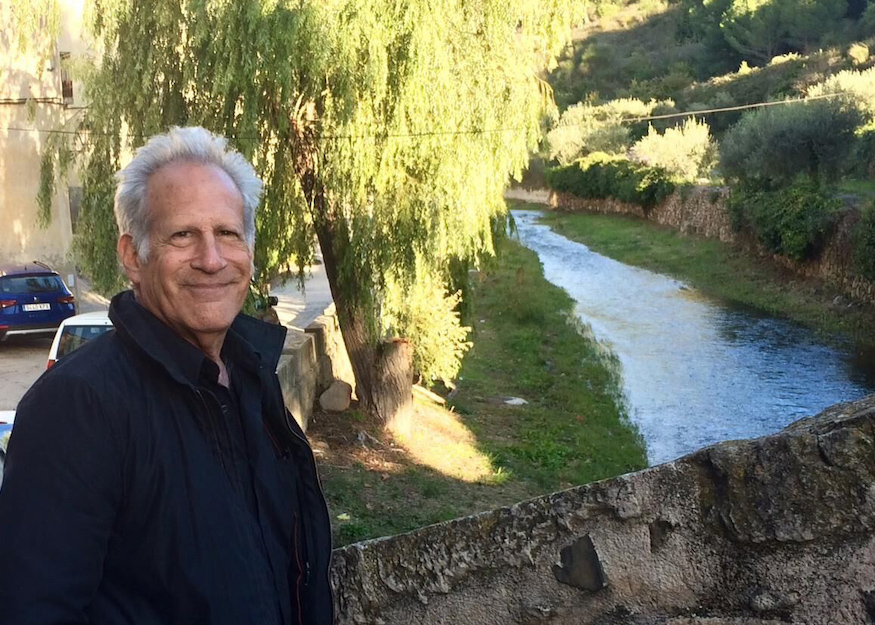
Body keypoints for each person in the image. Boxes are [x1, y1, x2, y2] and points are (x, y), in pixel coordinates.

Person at [0, 127, 333, 625]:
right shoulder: (78, 406)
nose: (212, 259)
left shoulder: (248, 377)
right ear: (133, 256)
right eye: (183, 235)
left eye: (227, 233)